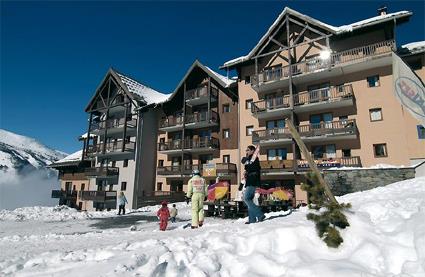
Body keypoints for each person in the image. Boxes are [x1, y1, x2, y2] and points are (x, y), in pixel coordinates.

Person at [242, 145, 265, 224]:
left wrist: (247, 166)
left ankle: (260, 214)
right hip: (250, 181)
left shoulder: (254, 158)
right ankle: (252, 220)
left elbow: (254, 168)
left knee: (246, 198)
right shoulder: (250, 159)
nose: (246, 151)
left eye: (248, 150)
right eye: (246, 150)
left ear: (252, 151)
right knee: (250, 200)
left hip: (253, 181)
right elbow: (247, 167)